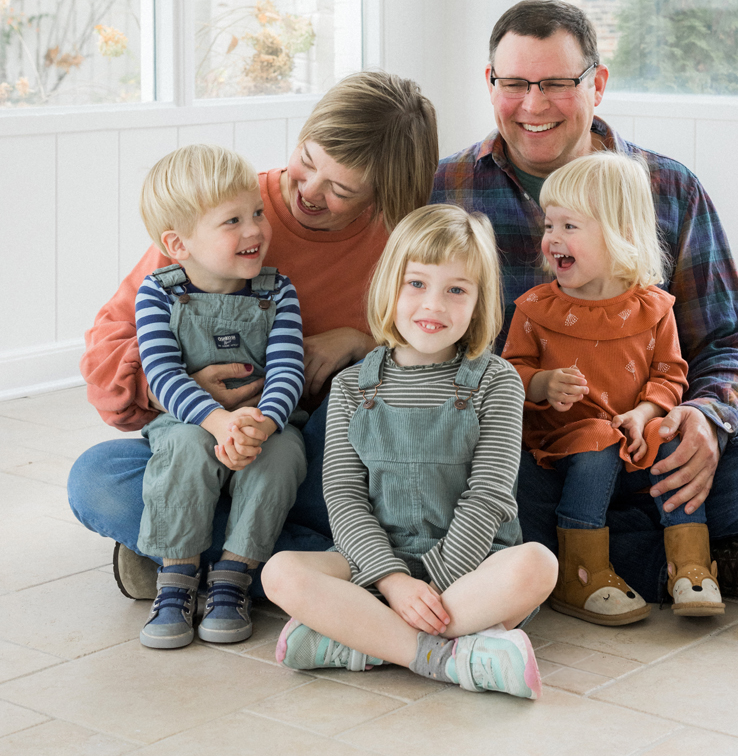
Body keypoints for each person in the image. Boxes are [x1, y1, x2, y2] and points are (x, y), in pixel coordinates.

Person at [432, 0, 738, 608]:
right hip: (533, 459)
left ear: (597, 84)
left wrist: (706, 420)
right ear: (491, 83)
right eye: (513, 83)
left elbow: (724, 343)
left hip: (652, 451)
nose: (533, 105)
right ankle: (708, 559)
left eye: (557, 84)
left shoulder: (668, 188)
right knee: (460, 480)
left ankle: (585, 563)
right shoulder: (449, 189)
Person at [68, 72, 439, 599]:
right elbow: (109, 344)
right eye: (307, 161)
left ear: (383, 193)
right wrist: (182, 388)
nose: (309, 191)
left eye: (341, 189)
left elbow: (447, 361)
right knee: (97, 481)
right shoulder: (226, 207)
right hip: (199, 438)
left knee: (358, 466)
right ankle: (335, 570)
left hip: (303, 452)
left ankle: (184, 551)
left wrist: (363, 342)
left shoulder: (401, 242)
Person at [262, 204, 557, 701]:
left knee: (538, 565)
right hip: (376, 566)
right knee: (280, 573)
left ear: (480, 300)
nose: (434, 306)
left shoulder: (498, 382)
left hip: (473, 569)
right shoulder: (353, 385)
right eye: (416, 284)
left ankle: (364, 640)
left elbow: (488, 494)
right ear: (389, 287)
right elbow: (344, 496)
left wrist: (433, 585)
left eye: (456, 290)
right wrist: (396, 582)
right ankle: (443, 655)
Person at [504, 150, 723, 626]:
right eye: (548, 226)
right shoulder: (536, 308)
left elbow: (670, 374)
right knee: (596, 441)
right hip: (561, 446)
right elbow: (508, 373)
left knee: (682, 437)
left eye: (569, 227)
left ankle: (690, 565)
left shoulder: (654, 307)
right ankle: (582, 573)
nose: (551, 239)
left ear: (621, 233)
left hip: (635, 438)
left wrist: (647, 414)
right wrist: (541, 384)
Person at [133, 144, 307, 648]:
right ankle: (177, 575)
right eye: (232, 220)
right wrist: (216, 422)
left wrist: (263, 426)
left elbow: (287, 371)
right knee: (182, 450)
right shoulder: (157, 293)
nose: (254, 229)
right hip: (192, 424)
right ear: (178, 242)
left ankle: (233, 575)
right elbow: (163, 375)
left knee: (287, 454)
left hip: (261, 427)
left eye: (257, 212)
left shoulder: (277, 291)